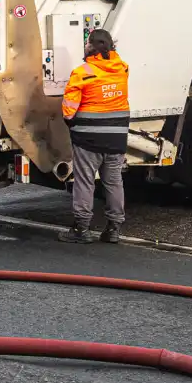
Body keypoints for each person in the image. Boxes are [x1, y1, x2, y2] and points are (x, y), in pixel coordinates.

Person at [58, 29, 130, 245]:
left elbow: (68, 111)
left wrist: (72, 124)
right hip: (117, 138)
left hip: (88, 140)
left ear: (91, 47)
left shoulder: (82, 73)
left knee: (85, 182)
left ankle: (81, 229)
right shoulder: (122, 69)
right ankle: (114, 229)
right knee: (114, 182)